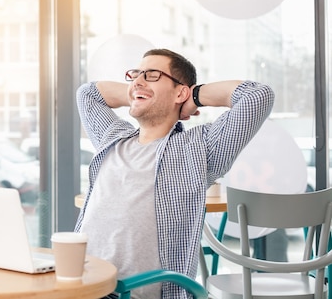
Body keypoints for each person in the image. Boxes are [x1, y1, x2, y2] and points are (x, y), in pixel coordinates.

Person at [75, 48, 274, 299]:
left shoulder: (199, 149)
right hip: (78, 284)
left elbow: (258, 95)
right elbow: (88, 94)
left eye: (152, 75)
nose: (137, 80)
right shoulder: (112, 137)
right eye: (135, 74)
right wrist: (138, 93)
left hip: (126, 293)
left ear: (180, 91)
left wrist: (194, 96)